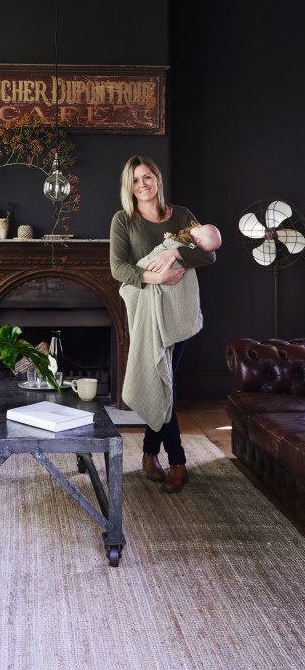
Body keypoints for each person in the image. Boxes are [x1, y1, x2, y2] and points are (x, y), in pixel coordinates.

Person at [110, 156, 217, 493]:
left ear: (157, 178)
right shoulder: (123, 220)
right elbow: (119, 268)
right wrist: (155, 276)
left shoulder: (182, 215)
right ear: (129, 187)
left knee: (165, 380)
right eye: (136, 180)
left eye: (148, 177)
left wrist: (174, 255)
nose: (143, 184)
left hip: (178, 310)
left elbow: (209, 254)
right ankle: (170, 459)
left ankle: (159, 457)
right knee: (164, 379)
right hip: (146, 309)